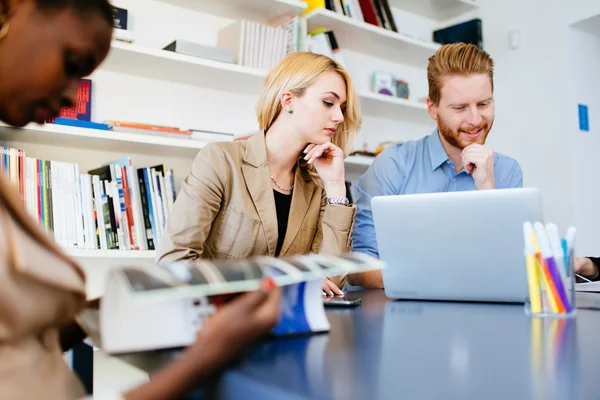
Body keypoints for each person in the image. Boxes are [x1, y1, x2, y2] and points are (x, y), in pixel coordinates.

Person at [0, 1, 281, 399]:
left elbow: (19, 344)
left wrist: (115, 306)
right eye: (72, 62)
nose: (70, 96)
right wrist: (203, 358)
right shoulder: (222, 160)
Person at [156, 51, 362, 295]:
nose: (338, 117)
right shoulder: (221, 160)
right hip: (217, 322)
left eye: (342, 107)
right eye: (328, 102)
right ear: (288, 101)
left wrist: (336, 186)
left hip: (285, 326)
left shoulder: (317, 185)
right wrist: (281, 286)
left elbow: (332, 282)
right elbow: (173, 263)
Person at [348, 43, 524, 289]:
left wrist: (488, 190)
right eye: (460, 108)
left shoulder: (507, 172)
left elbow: (510, 268)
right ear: (432, 108)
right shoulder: (393, 165)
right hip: (401, 315)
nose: (475, 119)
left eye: (483, 104)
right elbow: (358, 268)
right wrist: (442, 279)